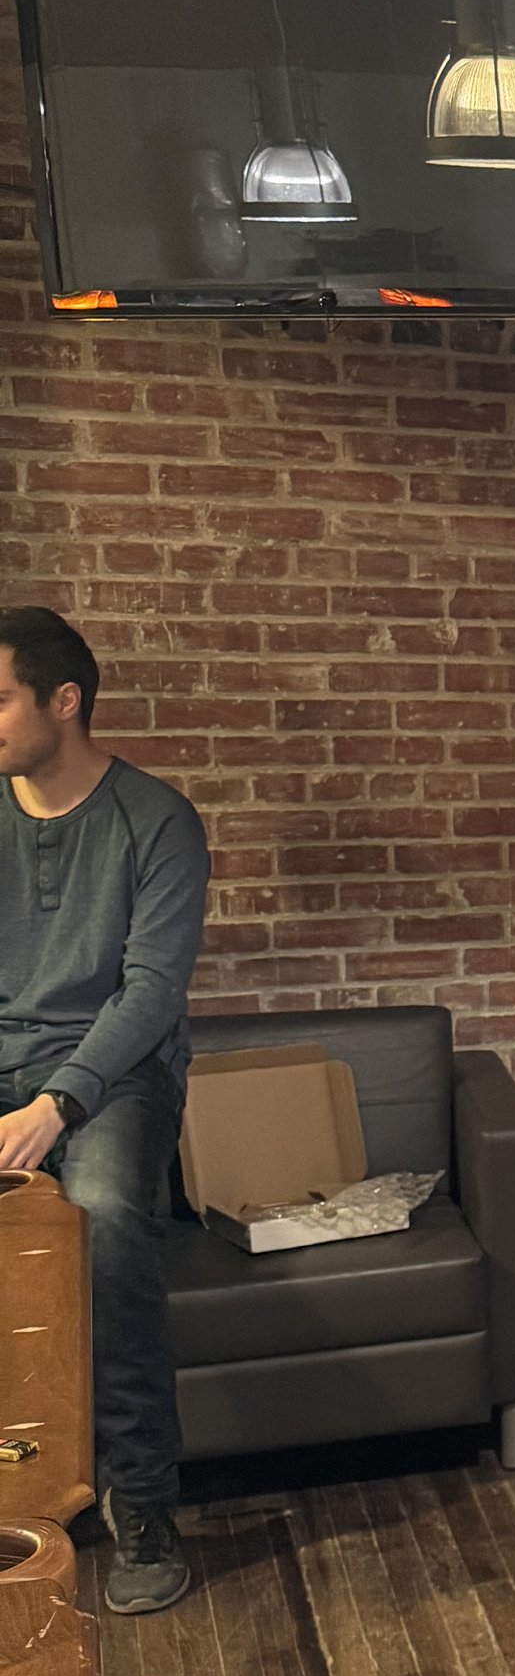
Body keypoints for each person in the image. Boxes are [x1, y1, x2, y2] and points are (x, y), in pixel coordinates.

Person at [0, 605, 211, 1616]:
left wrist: (56, 1102)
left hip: (116, 1078)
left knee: (107, 1231)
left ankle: (143, 1508)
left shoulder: (156, 821)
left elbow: (151, 992)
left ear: (63, 700)